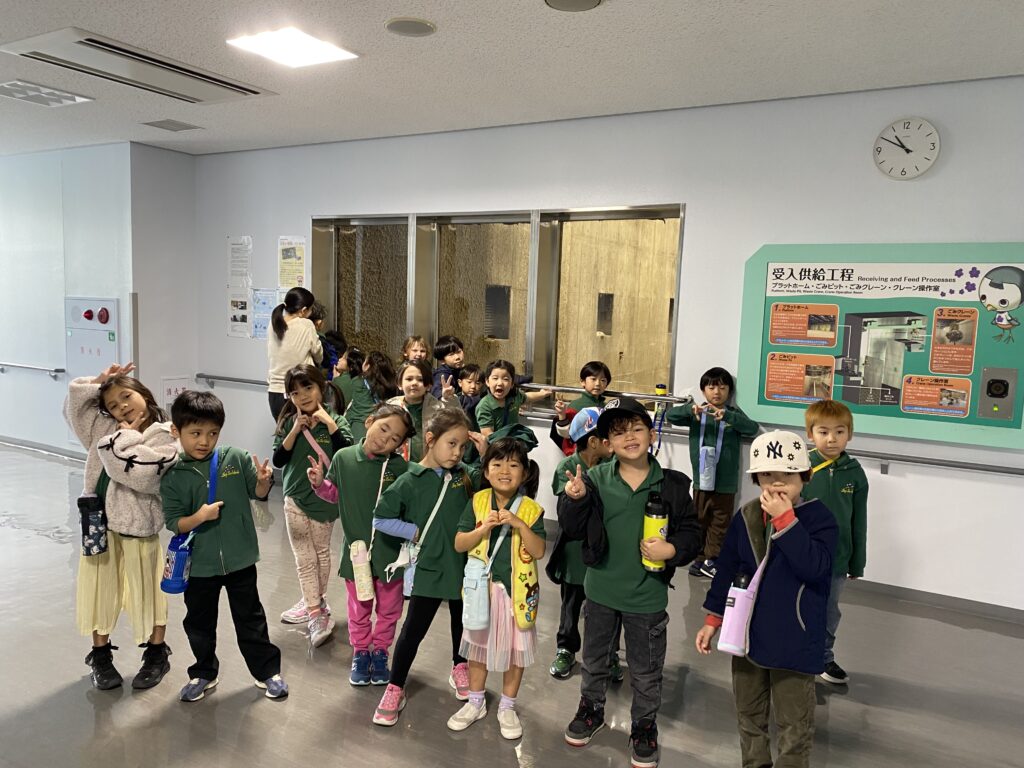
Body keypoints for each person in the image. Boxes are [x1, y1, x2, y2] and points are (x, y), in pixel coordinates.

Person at [559, 397, 701, 768]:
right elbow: (572, 528)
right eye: (619, 432)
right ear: (607, 443)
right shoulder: (594, 480)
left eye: (637, 428)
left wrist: (672, 549)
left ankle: (644, 725)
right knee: (594, 661)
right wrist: (574, 500)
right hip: (601, 592)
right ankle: (591, 710)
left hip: (647, 597)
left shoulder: (671, 485)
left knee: (646, 670)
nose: (630, 437)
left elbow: (692, 533)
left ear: (652, 435)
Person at [696, 431, 837, 768]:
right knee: (749, 712)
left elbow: (815, 568)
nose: (777, 483)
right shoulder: (746, 516)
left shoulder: (819, 519)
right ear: (756, 478)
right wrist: (713, 618)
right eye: (768, 474)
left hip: (795, 638)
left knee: (794, 722)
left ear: (805, 476)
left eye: (788, 474)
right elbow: (728, 568)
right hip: (747, 633)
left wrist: (786, 521)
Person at [161, 391, 287, 702]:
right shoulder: (173, 476)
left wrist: (263, 482)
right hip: (199, 565)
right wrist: (200, 516)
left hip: (240, 559)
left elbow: (258, 493)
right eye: (196, 433)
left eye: (212, 433)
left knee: (251, 619)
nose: (205, 441)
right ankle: (203, 672)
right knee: (199, 623)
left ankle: (267, 672)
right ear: (176, 431)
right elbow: (175, 523)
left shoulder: (235, 458)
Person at [64, 363, 178, 690]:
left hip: (138, 524)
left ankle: (156, 653)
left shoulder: (164, 434)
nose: (122, 407)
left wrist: (124, 437)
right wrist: (98, 381)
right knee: (99, 588)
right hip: (97, 519)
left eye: (126, 396)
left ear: (144, 394)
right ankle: (100, 656)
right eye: (113, 405)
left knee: (149, 590)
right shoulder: (103, 427)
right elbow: (74, 408)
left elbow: (140, 476)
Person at [369, 410, 481, 727]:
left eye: (463, 446)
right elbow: (381, 518)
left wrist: (486, 454)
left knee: (463, 623)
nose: (457, 452)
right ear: (431, 440)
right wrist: (413, 532)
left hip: (464, 566)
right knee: (413, 631)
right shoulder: (409, 480)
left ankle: (460, 665)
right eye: (451, 443)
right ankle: (395, 686)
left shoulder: (466, 475)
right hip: (429, 568)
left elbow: (493, 485)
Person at [307, 403, 414, 685]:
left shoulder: (399, 467)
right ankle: (361, 652)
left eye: (395, 438)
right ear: (369, 422)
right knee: (359, 607)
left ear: (400, 446)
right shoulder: (343, 458)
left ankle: (380, 652)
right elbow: (335, 495)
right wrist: (320, 484)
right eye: (383, 429)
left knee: (390, 609)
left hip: (390, 555)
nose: (385, 439)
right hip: (357, 553)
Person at [447, 437, 546, 740]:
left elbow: (539, 550)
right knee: (478, 647)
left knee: (516, 651)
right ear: (486, 472)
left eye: (513, 465)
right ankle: (475, 702)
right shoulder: (477, 501)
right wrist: (483, 528)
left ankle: (507, 706)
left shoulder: (531, 509)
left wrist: (520, 525)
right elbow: (459, 543)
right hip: (482, 592)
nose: (505, 470)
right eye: (498, 464)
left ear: (524, 473)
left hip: (516, 595)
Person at [271, 365, 354, 645]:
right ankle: (315, 611)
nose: (303, 396)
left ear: (322, 387)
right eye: (295, 392)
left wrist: (329, 424)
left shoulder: (337, 421)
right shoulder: (288, 423)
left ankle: (315, 601)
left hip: (325, 502)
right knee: (304, 559)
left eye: (308, 387)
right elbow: (278, 460)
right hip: (294, 499)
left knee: (321, 554)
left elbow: (347, 455)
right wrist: (295, 430)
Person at [545, 407, 622, 681]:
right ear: (593, 441)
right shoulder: (567, 468)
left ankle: (609, 654)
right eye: (608, 437)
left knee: (609, 607)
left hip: (606, 551)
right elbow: (567, 513)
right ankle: (566, 649)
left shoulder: (614, 467)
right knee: (571, 603)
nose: (613, 441)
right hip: (574, 552)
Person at [666, 366, 759, 579]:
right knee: (699, 519)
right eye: (711, 388)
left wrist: (729, 417)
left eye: (723, 388)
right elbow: (671, 416)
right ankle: (698, 558)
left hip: (725, 482)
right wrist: (689, 409)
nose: (717, 392)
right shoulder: (696, 413)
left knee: (720, 522)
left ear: (729, 392)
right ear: (703, 391)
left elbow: (752, 428)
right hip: (701, 480)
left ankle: (712, 559)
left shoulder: (733, 415)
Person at [804, 399, 868, 685]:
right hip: (801, 555)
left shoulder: (854, 473)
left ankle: (823, 658)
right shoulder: (801, 467)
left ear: (849, 434)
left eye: (839, 432)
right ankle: (795, 655)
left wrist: (857, 562)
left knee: (829, 611)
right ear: (810, 434)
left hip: (837, 560)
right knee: (798, 606)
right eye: (823, 431)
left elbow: (859, 521)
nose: (832, 439)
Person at [387, 359, 463, 462]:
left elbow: (458, 421)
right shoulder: (391, 407)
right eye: (409, 379)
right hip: (397, 464)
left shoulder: (437, 408)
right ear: (399, 384)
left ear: (428, 385)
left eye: (420, 380)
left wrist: (449, 399)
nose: (414, 383)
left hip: (429, 464)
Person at [267, 287, 322, 419]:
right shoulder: (306, 324)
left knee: (285, 431)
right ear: (303, 310)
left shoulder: (273, 323)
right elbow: (318, 355)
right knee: (305, 431)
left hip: (275, 393)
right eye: (310, 309)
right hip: (299, 391)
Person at [475, 359, 551, 437]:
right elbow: (488, 435)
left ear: (512, 384)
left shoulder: (515, 396)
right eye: (495, 378)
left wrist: (542, 393)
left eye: (505, 379)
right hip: (497, 444)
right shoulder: (484, 406)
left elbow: (528, 397)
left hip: (513, 440)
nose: (500, 383)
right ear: (487, 382)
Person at [550, 361, 612, 456]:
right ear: (583, 382)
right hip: (582, 455)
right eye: (593, 379)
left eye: (603, 380)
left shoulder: (607, 407)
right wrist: (562, 414)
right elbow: (567, 434)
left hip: (603, 455)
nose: (598, 383)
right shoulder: (576, 406)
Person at [345, 351, 398, 442]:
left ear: (367, 366)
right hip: (377, 428)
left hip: (356, 428)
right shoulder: (391, 386)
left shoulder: (357, 381)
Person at [332, 345, 365, 414]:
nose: (340, 359)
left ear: (351, 366)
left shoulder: (341, 381)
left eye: (344, 358)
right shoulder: (362, 380)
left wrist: (335, 380)